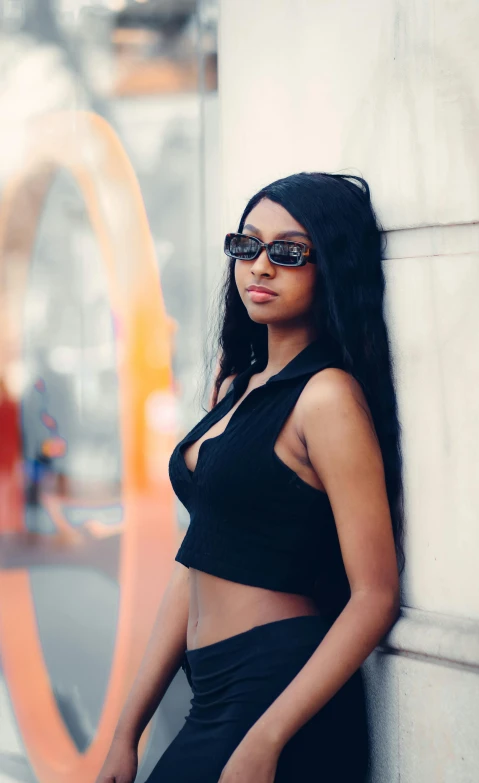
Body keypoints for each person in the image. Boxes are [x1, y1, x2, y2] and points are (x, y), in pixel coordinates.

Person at [96, 172, 405, 783]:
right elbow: (196, 564)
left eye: (288, 252)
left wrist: (267, 739)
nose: (260, 267)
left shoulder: (327, 398)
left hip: (277, 689)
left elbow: (375, 595)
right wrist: (125, 733)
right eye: (247, 246)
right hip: (212, 694)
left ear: (332, 267)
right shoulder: (237, 389)